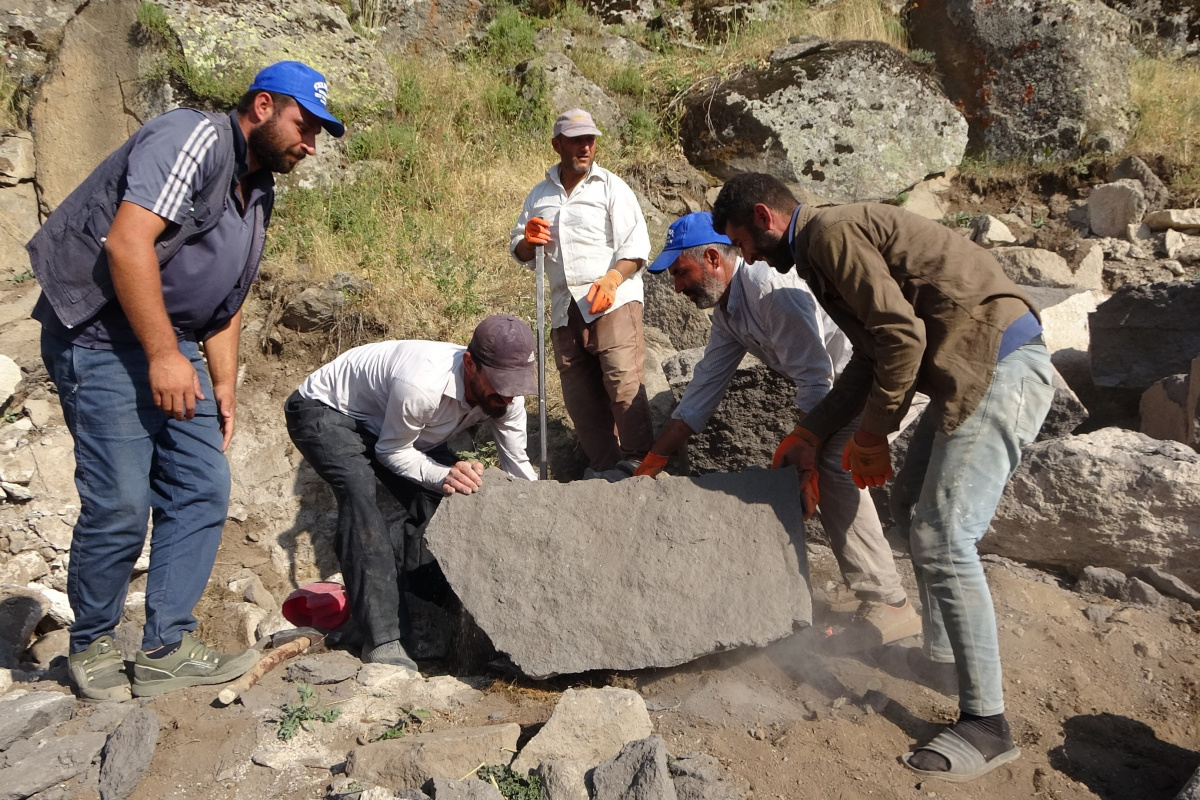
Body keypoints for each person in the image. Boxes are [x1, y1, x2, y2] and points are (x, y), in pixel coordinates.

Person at [712, 173, 1054, 782]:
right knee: (910, 513)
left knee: (944, 537)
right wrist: (812, 431)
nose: (747, 257)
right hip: (969, 365)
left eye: (743, 241)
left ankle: (987, 725)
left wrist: (871, 434)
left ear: (765, 216)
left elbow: (902, 338)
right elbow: (872, 356)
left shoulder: (829, 235)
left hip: (997, 364)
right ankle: (946, 656)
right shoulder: (823, 243)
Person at [27, 61, 344, 701]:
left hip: (171, 343)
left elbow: (226, 302)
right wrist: (166, 356)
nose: (309, 144)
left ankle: (166, 646)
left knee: (202, 484)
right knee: (119, 501)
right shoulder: (192, 137)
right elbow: (127, 244)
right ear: (262, 106)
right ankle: (90, 645)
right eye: (303, 126)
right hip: (100, 335)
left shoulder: (258, 192)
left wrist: (221, 384)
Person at [633, 212, 921, 646]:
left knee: (836, 464)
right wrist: (655, 459)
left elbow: (815, 379)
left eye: (681, 273)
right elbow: (704, 388)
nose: (676, 287)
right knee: (819, 462)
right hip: (843, 388)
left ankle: (890, 603)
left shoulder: (772, 291)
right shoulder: (730, 312)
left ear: (712, 257)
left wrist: (808, 459)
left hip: (882, 378)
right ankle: (874, 590)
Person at [284, 315, 539, 672]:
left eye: (516, 385)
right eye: (499, 383)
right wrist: (442, 473)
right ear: (470, 364)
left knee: (445, 502)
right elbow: (390, 452)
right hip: (328, 411)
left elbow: (517, 465)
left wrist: (541, 517)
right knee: (361, 501)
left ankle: (431, 611)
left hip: (397, 428)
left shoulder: (507, 398)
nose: (508, 394)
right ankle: (382, 640)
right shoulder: (422, 384)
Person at [510, 108, 654, 477]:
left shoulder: (611, 187)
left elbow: (636, 247)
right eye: (576, 140)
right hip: (564, 306)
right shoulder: (539, 195)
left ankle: (639, 461)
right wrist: (528, 241)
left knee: (623, 380)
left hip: (612, 301)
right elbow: (520, 248)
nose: (586, 146)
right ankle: (605, 467)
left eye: (590, 139)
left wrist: (612, 279)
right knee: (579, 395)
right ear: (558, 144)